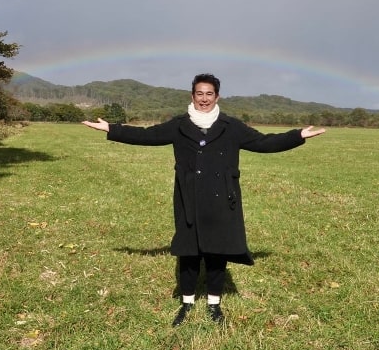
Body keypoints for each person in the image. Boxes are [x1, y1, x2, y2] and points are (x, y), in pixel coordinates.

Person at [82, 73, 325, 327]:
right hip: (189, 199)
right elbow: (146, 135)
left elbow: (264, 142)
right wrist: (111, 128)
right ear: (192, 95)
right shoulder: (179, 125)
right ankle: (186, 304)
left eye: (210, 94)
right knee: (188, 253)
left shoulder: (231, 127)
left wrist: (297, 136)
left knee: (217, 253)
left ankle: (214, 305)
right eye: (200, 93)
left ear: (217, 96)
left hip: (222, 200)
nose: (204, 98)